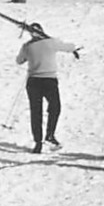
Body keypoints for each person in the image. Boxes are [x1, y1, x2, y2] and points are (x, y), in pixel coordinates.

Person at [16, 23, 80, 153]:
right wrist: (72, 49)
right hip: (49, 80)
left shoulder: (27, 46)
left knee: (36, 112)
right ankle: (50, 134)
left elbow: (19, 60)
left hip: (33, 82)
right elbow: (70, 47)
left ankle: (38, 142)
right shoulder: (51, 42)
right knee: (55, 107)